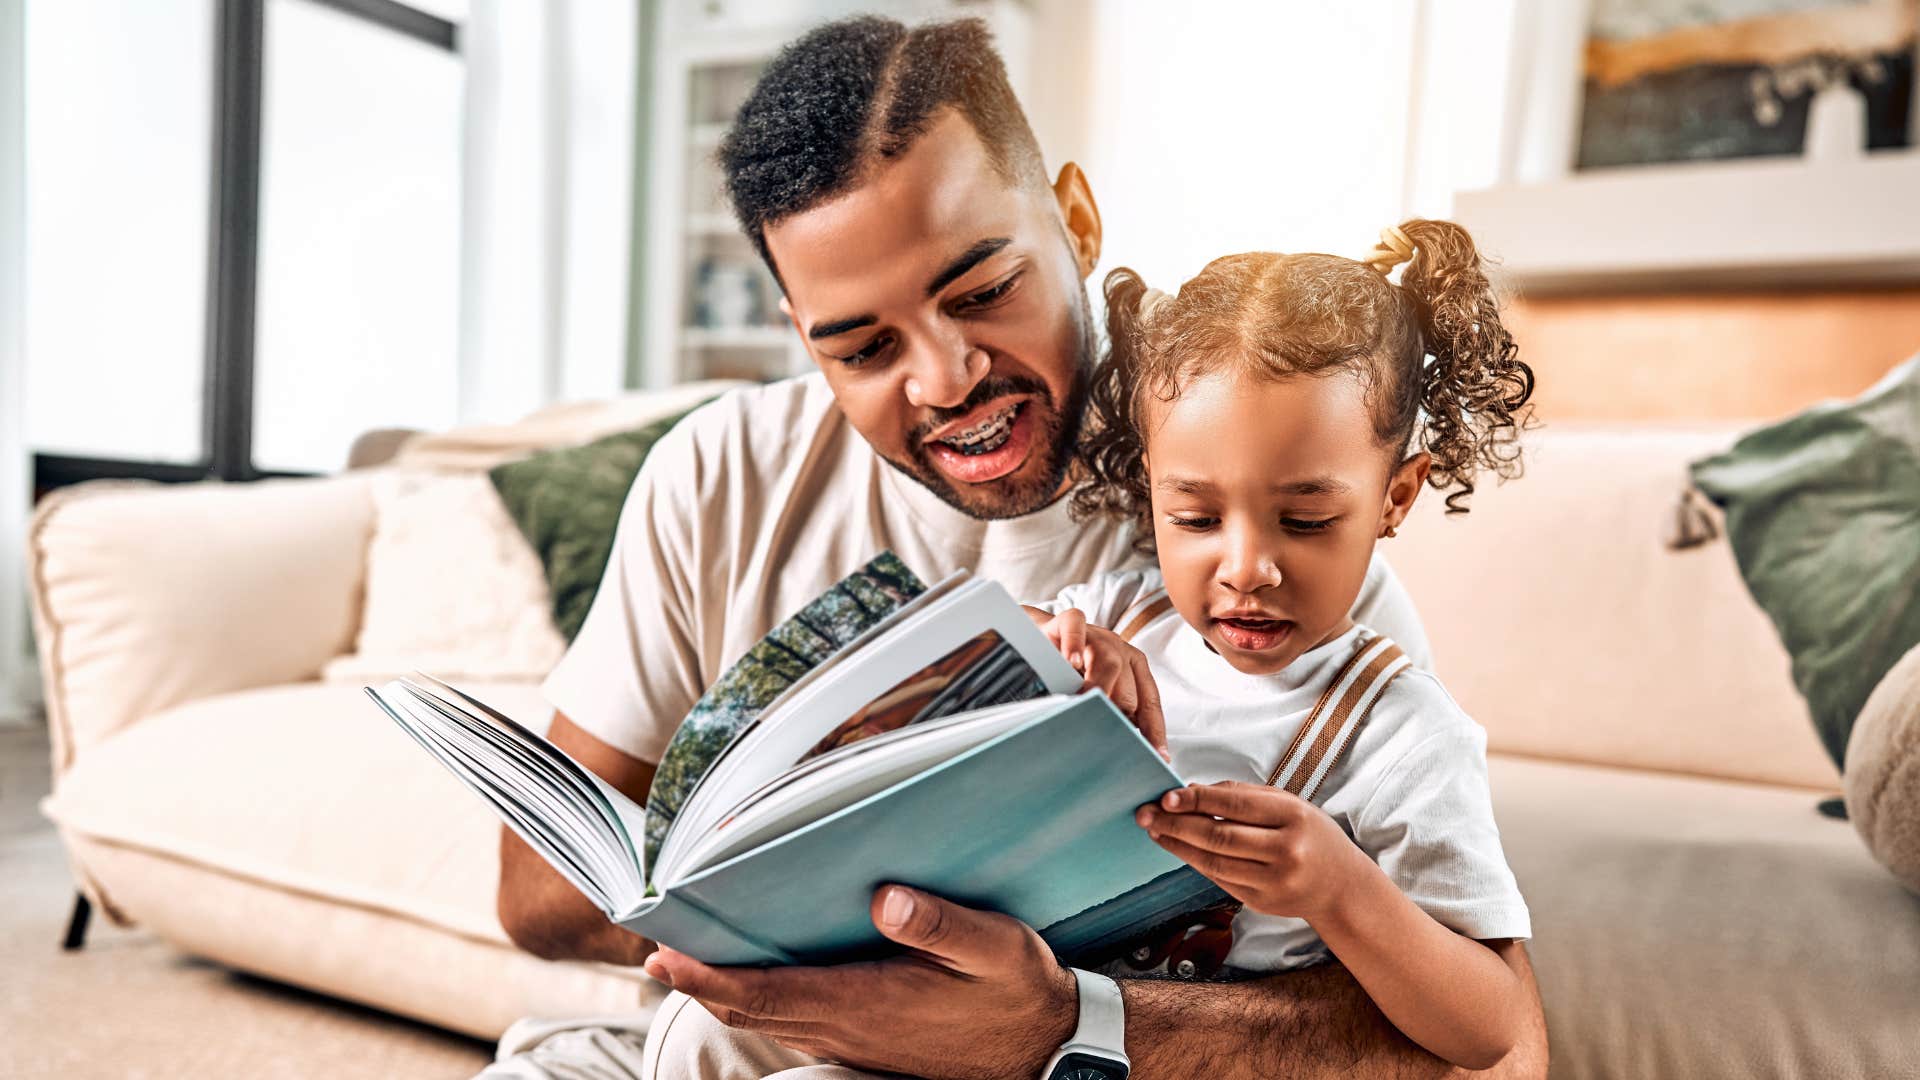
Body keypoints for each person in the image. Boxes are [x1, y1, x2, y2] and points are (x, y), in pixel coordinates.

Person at [487, 15, 1548, 1080]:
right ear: (797, 330)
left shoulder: (1243, 497)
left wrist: (1061, 1023)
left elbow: (1503, 1055)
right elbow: (539, 892)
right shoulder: (716, 475)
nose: (947, 379)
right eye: (860, 345)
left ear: (1076, 221)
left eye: (984, 291)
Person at [1024, 221, 1537, 1071]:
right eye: (1193, 517)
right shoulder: (1118, 609)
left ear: (1395, 498)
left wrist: (1340, 892)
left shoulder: (1404, 737)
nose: (1247, 568)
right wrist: (1045, 645)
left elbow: (1489, 1028)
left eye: (1304, 520)